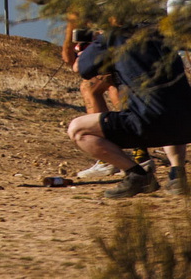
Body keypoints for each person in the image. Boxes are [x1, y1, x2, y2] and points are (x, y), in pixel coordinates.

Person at [66, 18, 191, 199]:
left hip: (149, 122)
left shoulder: (112, 37)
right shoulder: (162, 33)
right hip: (186, 123)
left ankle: (137, 175)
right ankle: (177, 174)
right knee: (168, 104)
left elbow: (81, 68)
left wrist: (95, 45)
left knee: (77, 129)